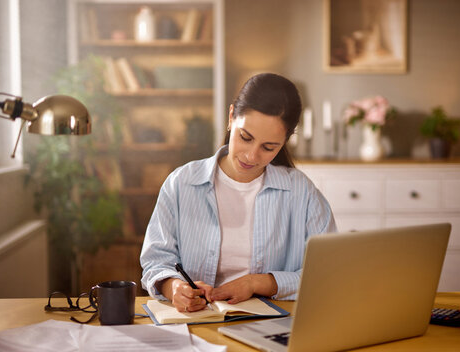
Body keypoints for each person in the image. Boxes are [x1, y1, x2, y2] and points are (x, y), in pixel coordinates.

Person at [140, 73, 337, 313]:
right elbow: (155, 260)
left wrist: (258, 282)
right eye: (245, 137)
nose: (251, 156)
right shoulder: (181, 183)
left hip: (272, 325)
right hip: (196, 322)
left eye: (268, 147)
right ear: (231, 117)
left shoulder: (301, 192)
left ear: (285, 141)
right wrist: (174, 288)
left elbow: (327, 272)